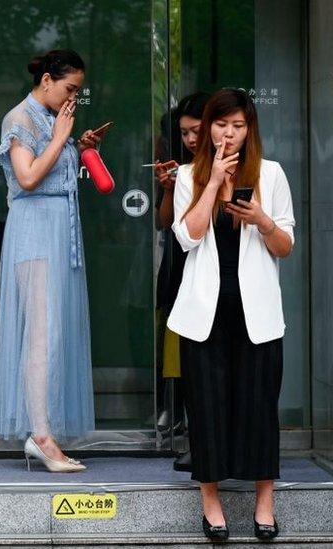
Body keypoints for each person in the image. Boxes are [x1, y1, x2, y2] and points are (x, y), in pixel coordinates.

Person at [167, 88, 294, 542]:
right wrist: (212, 184)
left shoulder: (272, 175)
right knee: (205, 408)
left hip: (256, 313)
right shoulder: (188, 175)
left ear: (250, 129)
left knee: (260, 405)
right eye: (221, 125)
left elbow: (285, 247)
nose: (229, 133)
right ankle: (211, 501)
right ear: (210, 128)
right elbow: (188, 236)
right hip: (204, 314)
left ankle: (265, 501)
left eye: (238, 126)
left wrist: (261, 218)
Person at [0, 50, 102, 473]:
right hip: (36, 232)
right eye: (70, 88)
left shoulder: (54, 120)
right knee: (40, 333)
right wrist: (61, 137)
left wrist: (80, 145)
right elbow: (27, 177)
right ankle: (40, 436)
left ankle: (46, 429)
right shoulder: (20, 119)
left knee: (55, 333)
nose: (73, 97)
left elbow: (56, 172)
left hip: (58, 232)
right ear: (46, 80)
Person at [153, 92, 210, 473]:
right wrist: (171, 187)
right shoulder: (183, 169)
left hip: (215, 272)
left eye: (195, 131)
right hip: (179, 266)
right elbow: (163, 222)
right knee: (184, 358)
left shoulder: (237, 166)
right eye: (184, 133)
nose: (190, 140)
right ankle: (190, 432)